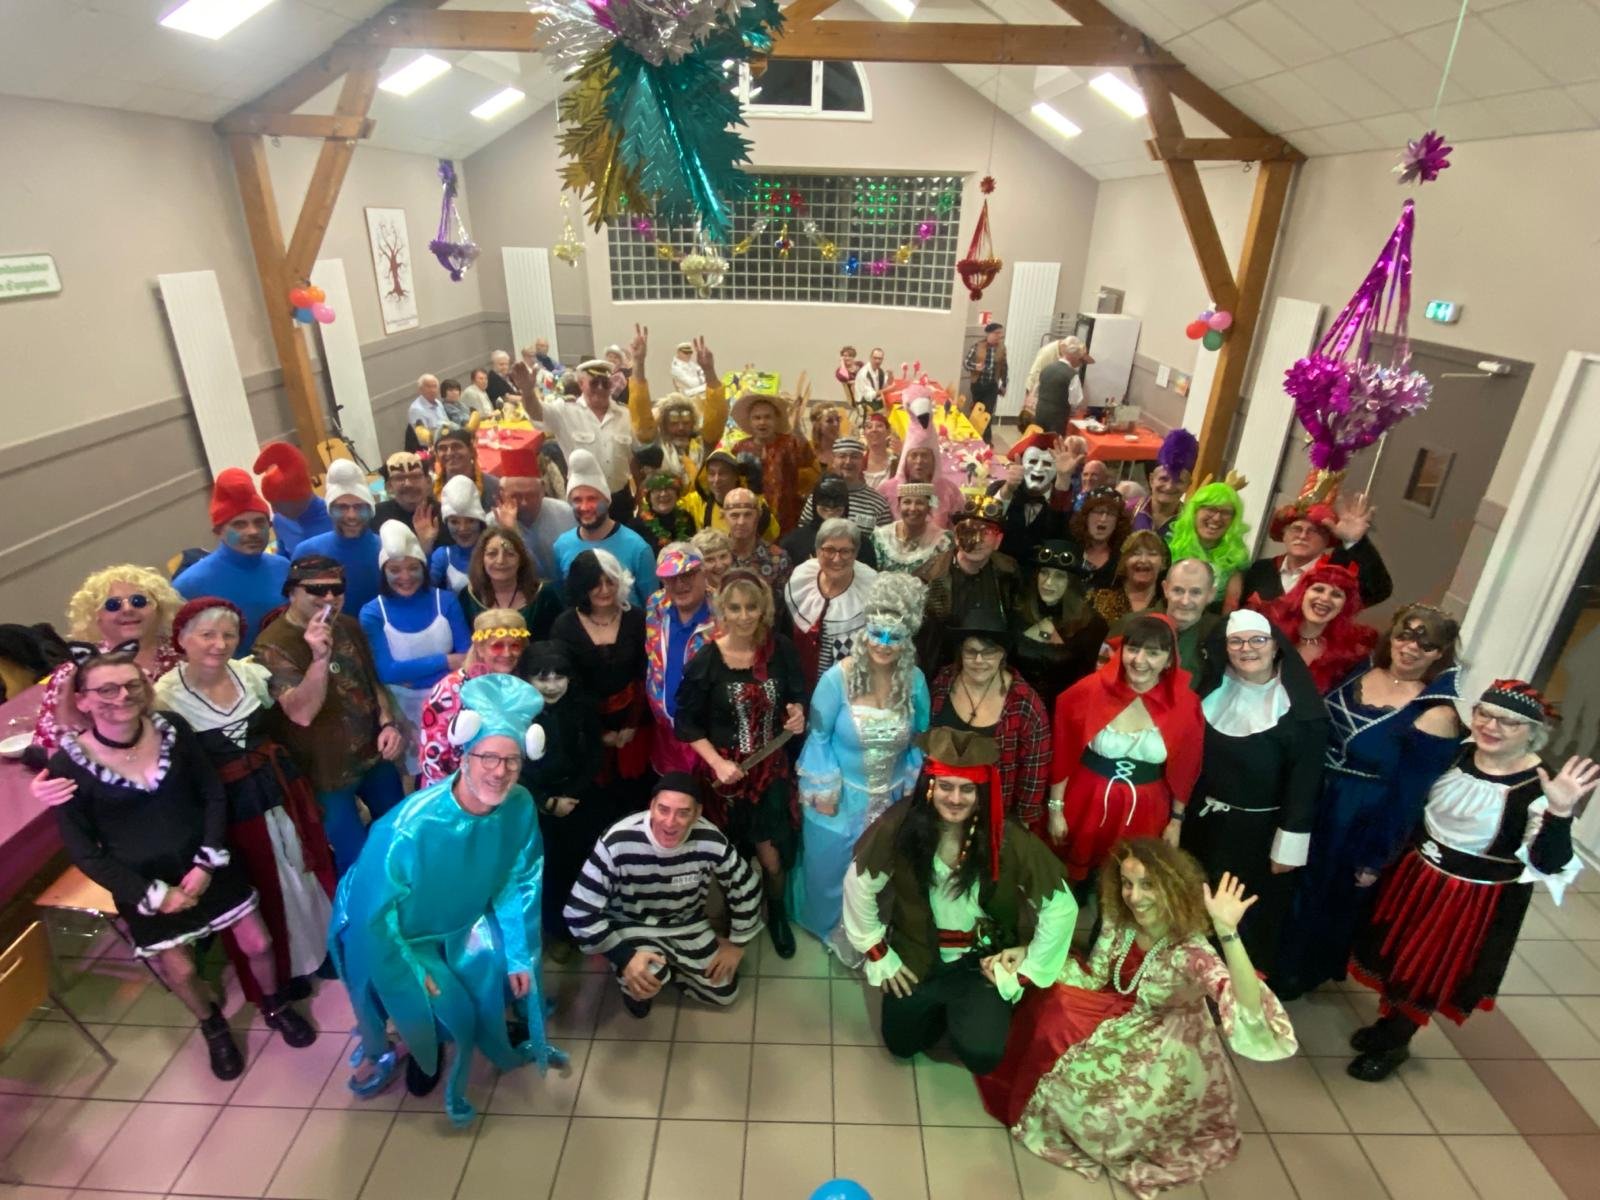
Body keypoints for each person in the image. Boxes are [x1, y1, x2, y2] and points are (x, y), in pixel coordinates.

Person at [44, 648, 316, 1080]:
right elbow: (85, 851)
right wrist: (152, 894)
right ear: (82, 700)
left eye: (131, 685)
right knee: (183, 970)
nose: (122, 696)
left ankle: (275, 1004)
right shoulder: (67, 764)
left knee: (259, 944)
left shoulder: (172, 728)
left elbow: (211, 793)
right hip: (142, 883)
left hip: (205, 863)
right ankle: (212, 1026)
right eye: (106, 690)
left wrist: (206, 863)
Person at [980, 840, 1297, 1198]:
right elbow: (1096, 975)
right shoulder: (1120, 921)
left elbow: (1245, 1003)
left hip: (1165, 1044)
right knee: (1052, 1007)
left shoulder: (1191, 949)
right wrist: (1029, 959)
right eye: (1127, 883)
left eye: (1148, 884)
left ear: (1172, 886)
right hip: (1114, 1012)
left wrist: (1228, 932)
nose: (1134, 896)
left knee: (1105, 1118)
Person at [331, 674, 563, 1124]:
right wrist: (412, 968)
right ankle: (425, 1045)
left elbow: (519, 879)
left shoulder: (518, 805)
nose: (500, 771)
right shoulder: (406, 830)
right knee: (428, 999)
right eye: (488, 757)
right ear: (464, 755)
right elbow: (372, 917)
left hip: (464, 918)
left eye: (512, 760)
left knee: (499, 960)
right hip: (398, 933)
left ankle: (479, 1018)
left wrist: (518, 954)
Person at [1347, 681, 1593, 1080]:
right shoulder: (1458, 753)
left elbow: (1548, 863)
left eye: (1508, 722)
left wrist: (1560, 813)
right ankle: (1387, 1025)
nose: (1491, 726)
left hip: (1468, 899)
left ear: (1533, 732)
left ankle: (1395, 1042)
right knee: (1393, 952)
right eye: (1484, 714)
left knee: (1426, 969)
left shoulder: (1538, 786)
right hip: (1415, 875)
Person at [138, 598, 337, 1006]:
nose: (220, 644)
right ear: (182, 639)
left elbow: (302, 713)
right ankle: (284, 971)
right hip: (227, 810)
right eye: (207, 634)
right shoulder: (164, 698)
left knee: (302, 868)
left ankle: (321, 951)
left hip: (279, 788)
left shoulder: (251, 674)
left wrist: (319, 659)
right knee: (260, 887)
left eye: (228, 635)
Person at [843, 729, 1075, 1072]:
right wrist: (878, 951)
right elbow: (858, 883)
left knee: (983, 1057)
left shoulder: (1007, 836)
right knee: (901, 1044)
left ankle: (970, 1014)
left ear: (981, 791)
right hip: (917, 955)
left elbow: (1061, 906)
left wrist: (1028, 965)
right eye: (946, 786)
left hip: (983, 962)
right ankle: (944, 1013)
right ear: (930, 786)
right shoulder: (900, 826)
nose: (955, 798)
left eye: (967, 789)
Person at [1274, 603, 1463, 1000]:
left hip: (1359, 819)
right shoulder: (1359, 669)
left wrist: (1377, 856)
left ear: (1440, 653)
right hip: (1312, 795)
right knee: (1286, 883)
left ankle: (1294, 974)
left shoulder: (1435, 713)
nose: (1411, 648)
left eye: (1426, 644)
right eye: (1405, 636)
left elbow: (1410, 797)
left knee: (1324, 898)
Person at [1183, 610, 1327, 977]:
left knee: (1241, 917)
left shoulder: (1300, 711)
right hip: (1200, 825)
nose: (1247, 648)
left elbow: (1305, 783)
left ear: (1276, 646)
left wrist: (1288, 846)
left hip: (1255, 839)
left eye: (1257, 640)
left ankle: (1235, 990)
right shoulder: (1213, 688)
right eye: (1236, 641)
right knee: (1193, 901)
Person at [793, 573, 930, 959]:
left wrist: (910, 788)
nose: (883, 644)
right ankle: (826, 926)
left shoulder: (915, 682)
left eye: (894, 636)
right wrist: (825, 791)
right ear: (864, 632)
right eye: (876, 633)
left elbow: (921, 736)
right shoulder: (837, 679)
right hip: (838, 799)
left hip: (890, 803)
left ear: (907, 640)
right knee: (829, 871)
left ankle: (868, 933)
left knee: (878, 874)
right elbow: (818, 736)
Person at [676, 572, 808, 958]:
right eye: (735, 608)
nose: (745, 615)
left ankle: (776, 911)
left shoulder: (781, 650)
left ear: (764, 608)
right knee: (727, 857)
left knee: (772, 857)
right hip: (724, 777)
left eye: (752, 606)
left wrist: (797, 714)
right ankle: (739, 913)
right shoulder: (706, 659)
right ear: (723, 611)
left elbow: (797, 695)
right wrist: (717, 763)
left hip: (770, 772)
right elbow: (686, 723)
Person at [253, 556, 406, 872]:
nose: (329, 598)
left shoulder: (348, 625)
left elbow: (372, 682)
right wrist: (319, 658)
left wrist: (388, 723)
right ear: (292, 592)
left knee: (400, 835)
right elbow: (301, 713)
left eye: (337, 589)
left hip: (373, 756)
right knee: (355, 860)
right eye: (316, 589)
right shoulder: (272, 645)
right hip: (325, 772)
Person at [567, 773, 765, 1015]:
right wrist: (624, 956)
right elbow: (578, 910)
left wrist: (737, 943)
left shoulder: (710, 839)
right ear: (651, 806)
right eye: (663, 809)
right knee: (647, 978)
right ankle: (636, 981)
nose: (670, 823)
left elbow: (745, 885)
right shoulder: (617, 840)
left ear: (697, 813)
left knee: (724, 992)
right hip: (630, 923)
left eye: (683, 813)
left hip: (686, 923)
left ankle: (670, 971)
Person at [1045, 614, 1204, 889]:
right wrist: (1055, 809)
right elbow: (1063, 751)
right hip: (1086, 801)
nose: (1139, 660)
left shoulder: (1186, 704)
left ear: (1169, 660)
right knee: (1072, 885)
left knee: (1131, 887)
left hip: (1147, 810)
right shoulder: (1089, 691)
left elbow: (1186, 769)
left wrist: (1176, 821)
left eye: (1153, 653)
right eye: (1133, 649)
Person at [359, 521, 471, 776]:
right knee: (416, 777)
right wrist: (446, 661)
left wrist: (411, 676)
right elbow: (386, 672)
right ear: (383, 572)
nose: (405, 577)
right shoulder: (373, 612)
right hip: (403, 712)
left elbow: (467, 659)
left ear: (423, 567)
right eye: (395, 570)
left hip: (451, 704)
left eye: (413, 568)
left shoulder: (446, 601)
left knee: (456, 773)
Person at [32, 566, 183, 754]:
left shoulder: (185, 652)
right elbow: (48, 745)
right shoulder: (74, 672)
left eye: (139, 601)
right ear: (95, 617)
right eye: (112, 605)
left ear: (159, 608)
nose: (128, 609)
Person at [519, 640, 606, 959]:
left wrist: (571, 795)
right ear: (527, 678)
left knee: (581, 862)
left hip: (578, 798)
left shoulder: (582, 706)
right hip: (535, 804)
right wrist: (546, 802)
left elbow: (595, 754)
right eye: (541, 677)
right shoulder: (518, 715)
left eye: (559, 676)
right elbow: (516, 768)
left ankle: (584, 921)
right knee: (548, 869)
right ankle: (556, 931)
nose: (552, 685)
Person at [930, 608, 1051, 825]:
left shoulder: (1025, 704)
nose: (979, 660)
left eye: (988, 652)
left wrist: (1023, 821)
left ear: (1002, 653)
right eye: (971, 651)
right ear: (960, 652)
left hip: (994, 815)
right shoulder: (942, 683)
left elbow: (1034, 772)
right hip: (940, 808)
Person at [551, 548, 652, 801]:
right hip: (586, 731)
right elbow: (567, 688)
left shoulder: (638, 618)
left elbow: (646, 676)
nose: (605, 590)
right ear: (581, 586)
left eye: (610, 581)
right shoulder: (564, 626)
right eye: (595, 583)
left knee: (637, 795)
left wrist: (632, 723)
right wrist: (597, 732)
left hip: (637, 727)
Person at [173, 469, 290, 653]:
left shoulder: (283, 567)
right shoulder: (189, 585)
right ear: (218, 531)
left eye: (259, 522)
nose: (253, 531)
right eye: (239, 524)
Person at [416, 608, 529, 785]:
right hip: (453, 790)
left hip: (502, 785)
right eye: (497, 646)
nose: (507, 653)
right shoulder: (451, 689)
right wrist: (454, 796)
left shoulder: (518, 688)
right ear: (480, 649)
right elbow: (432, 758)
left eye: (514, 646)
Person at [519, 352, 634, 511]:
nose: (600, 388)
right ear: (581, 384)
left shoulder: (625, 415)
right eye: (594, 383)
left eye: (605, 383)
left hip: (620, 499)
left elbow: (634, 457)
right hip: (584, 503)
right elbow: (537, 413)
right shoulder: (565, 411)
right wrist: (527, 393)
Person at [917, 497, 1017, 678]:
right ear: (956, 536)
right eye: (968, 530)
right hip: (940, 670)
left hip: (990, 670)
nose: (977, 540)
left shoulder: (1010, 573)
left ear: (998, 540)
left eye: (986, 532)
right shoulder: (928, 577)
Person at [1241, 492, 1392, 608]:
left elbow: (1379, 590)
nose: (1302, 536)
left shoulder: (1337, 575)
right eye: (1296, 528)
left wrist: (1354, 541)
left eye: (1314, 531)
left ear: (1327, 539)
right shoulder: (1261, 569)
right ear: (1284, 535)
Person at [553, 448, 659, 608]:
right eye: (577, 500)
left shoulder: (637, 548)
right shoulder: (561, 546)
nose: (585, 507)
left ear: (607, 501)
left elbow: (654, 607)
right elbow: (564, 601)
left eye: (592, 499)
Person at [645, 543, 718, 776]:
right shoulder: (655, 605)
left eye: (688, 574)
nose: (680, 584)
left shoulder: (724, 613)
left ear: (704, 572)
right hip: (665, 736)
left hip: (710, 740)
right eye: (671, 577)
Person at [1011, 542, 1108, 713]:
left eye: (1059, 576)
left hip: (1063, 713)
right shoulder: (1017, 613)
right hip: (1017, 709)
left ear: (1072, 582)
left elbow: (1092, 682)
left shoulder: (1091, 626)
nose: (1048, 582)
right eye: (1044, 572)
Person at [784, 517, 880, 685]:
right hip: (799, 683)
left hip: (850, 685)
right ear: (817, 550)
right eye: (829, 550)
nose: (836, 559)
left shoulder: (872, 588)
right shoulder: (801, 578)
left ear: (856, 553)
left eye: (845, 551)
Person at [1261, 561, 1377, 693]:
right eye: (1318, 589)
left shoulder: (1346, 655)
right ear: (1302, 593)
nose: (1325, 598)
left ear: (1344, 606)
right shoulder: (1267, 630)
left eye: (1336, 594)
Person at [630, 336, 727, 486]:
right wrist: (638, 363)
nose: (681, 428)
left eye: (686, 422)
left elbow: (716, 415)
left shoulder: (704, 444)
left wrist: (709, 371)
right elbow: (641, 413)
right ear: (663, 424)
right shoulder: (655, 447)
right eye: (674, 423)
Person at [295, 460, 384, 613]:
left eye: (359, 507)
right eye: (342, 508)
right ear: (330, 510)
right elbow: (297, 609)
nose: (351, 516)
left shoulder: (385, 549)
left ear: (370, 509)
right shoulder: (306, 553)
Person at [728, 390, 818, 533]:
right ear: (750, 421)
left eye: (767, 417)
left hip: (787, 520)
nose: (762, 422)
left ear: (776, 419)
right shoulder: (739, 448)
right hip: (750, 520)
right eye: (757, 418)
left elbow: (809, 462)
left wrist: (797, 427)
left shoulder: (790, 443)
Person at [989, 431, 1080, 565]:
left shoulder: (1063, 500)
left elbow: (1060, 533)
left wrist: (1063, 479)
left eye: (1047, 464)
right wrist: (1008, 489)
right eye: (1032, 461)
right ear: (1021, 463)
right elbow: (986, 522)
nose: (1038, 468)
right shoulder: (999, 489)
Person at [490, 448, 576, 585]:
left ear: (542, 490)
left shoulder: (565, 513)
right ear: (502, 493)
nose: (524, 503)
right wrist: (510, 532)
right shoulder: (491, 523)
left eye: (531, 495)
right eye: (516, 496)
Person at [458, 526, 562, 638]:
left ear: (521, 559)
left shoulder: (544, 596)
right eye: (492, 554)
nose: (501, 561)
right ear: (481, 559)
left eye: (510, 554)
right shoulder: (468, 597)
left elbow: (557, 641)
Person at [880, 399, 966, 531]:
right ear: (905, 460)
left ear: (934, 460)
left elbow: (959, 529)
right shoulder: (886, 490)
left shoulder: (949, 491)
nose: (919, 461)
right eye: (914, 455)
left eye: (925, 456)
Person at [1167, 479, 1250, 611]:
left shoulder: (1236, 556)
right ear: (1195, 511)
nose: (1217, 518)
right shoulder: (1170, 544)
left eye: (1225, 512)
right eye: (1211, 509)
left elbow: (1230, 607)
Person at [253, 442, 331, 558]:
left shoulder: (334, 516)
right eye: (271, 504)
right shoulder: (280, 521)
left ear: (298, 499)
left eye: (278, 505)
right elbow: (283, 558)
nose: (274, 511)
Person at [799, 436, 892, 532]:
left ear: (862, 461)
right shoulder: (818, 497)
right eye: (842, 456)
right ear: (833, 460)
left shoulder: (879, 503)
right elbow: (803, 533)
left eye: (854, 457)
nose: (848, 461)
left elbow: (885, 538)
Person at [784, 475, 877, 570]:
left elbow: (870, 577)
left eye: (837, 499)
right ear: (815, 501)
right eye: (825, 498)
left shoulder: (862, 544)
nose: (831, 505)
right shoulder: (793, 542)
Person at [873, 482, 954, 583]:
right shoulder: (880, 537)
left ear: (929, 507)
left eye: (919, 503)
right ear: (899, 506)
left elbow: (936, 582)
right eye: (907, 502)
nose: (913, 508)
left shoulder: (943, 541)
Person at [1091, 529, 1168, 630]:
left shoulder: (1168, 605)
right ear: (1124, 561)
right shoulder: (1097, 601)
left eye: (1152, 554)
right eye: (1136, 553)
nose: (1143, 560)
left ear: (1163, 562)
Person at [371, 451, 441, 556]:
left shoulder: (442, 515)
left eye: (415, 476)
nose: (408, 484)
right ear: (388, 487)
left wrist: (427, 545)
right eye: (399, 478)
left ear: (428, 482)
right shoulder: (376, 515)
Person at [724, 486, 792, 592]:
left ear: (758, 515)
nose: (741, 522)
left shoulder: (778, 559)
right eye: (734, 515)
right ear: (724, 516)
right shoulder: (715, 558)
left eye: (747, 515)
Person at [1161, 558, 1221, 678]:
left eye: (1195, 592)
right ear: (1165, 589)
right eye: (1178, 590)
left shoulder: (1221, 634)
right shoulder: (1134, 624)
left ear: (1211, 594)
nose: (1185, 601)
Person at [1021, 336, 1093, 433]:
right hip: (1057, 419)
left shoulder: (1047, 368)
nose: (1080, 364)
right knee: (1054, 441)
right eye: (1080, 360)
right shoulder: (1072, 375)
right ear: (1075, 357)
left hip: (1040, 414)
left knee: (1038, 438)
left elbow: (1036, 383)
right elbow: (1075, 402)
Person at [429, 475, 487, 595]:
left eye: (470, 521)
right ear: (446, 524)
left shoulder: (493, 552)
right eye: (454, 522)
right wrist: (426, 546)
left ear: (479, 521)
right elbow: (423, 591)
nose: (463, 528)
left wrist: (512, 531)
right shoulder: (443, 555)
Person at [1133, 429, 1197, 538]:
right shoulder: (1129, 511)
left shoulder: (1192, 524)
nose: (1169, 487)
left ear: (1188, 485)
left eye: (1178, 481)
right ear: (1151, 479)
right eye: (1163, 479)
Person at [1068, 487, 1131, 593]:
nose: (1103, 519)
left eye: (1111, 513)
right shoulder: (1071, 548)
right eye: (1098, 512)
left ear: (1118, 521)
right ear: (1086, 516)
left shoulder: (1122, 560)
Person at [431, 427, 501, 511]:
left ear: (471, 450)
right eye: (443, 448)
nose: (449, 453)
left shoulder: (493, 487)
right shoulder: (432, 490)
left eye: (456, 446)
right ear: (437, 455)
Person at [629, 470, 698, 554]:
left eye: (669, 488)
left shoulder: (686, 518)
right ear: (648, 496)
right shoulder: (636, 526)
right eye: (657, 489)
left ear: (677, 494)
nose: (663, 494)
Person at [964, 322, 1008, 438]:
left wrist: (1004, 384)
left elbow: (1004, 367)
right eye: (997, 333)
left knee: (987, 413)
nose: (999, 336)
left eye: (1000, 333)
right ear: (989, 333)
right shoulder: (977, 346)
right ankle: (974, 436)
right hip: (977, 385)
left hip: (992, 386)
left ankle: (987, 440)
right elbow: (966, 363)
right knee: (977, 411)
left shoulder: (1002, 348)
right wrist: (975, 366)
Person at [407, 373, 453, 443]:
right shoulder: (416, 409)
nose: (433, 390)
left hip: (447, 438)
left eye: (435, 386)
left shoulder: (438, 402)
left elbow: (447, 423)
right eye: (428, 387)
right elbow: (424, 440)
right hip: (432, 444)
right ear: (420, 390)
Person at [861, 409, 897, 488]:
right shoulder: (858, 463)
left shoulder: (896, 463)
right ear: (864, 433)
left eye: (879, 426)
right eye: (869, 427)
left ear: (888, 431)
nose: (874, 430)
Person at [691, 526, 734, 592]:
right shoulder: (692, 594)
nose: (719, 565)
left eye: (723, 556)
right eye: (710, 560)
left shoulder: (744, 585)